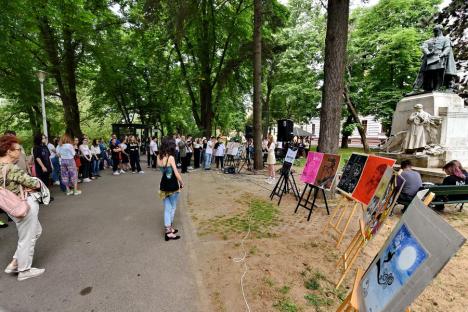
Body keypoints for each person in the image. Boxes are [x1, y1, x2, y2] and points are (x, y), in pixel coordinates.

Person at [0, 135, 45, 281]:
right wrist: (35, 182)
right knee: (27, 237)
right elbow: (34, 184)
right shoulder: (11, 168)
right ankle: (24, 270)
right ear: (9, 151)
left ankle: (15, 262)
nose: (20, 152)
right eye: (18, 149)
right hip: (23, 204)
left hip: (10, 206)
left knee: (36, 231)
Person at [157, 137, 184, 241]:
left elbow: (163, 172)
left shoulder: (158, 157)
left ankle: (169, 229)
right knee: (172, 208)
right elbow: (176, 173)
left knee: (167, 208)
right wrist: (182, 182)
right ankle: (168, 232)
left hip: (163, 186)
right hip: (172, 187)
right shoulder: (171, 157)